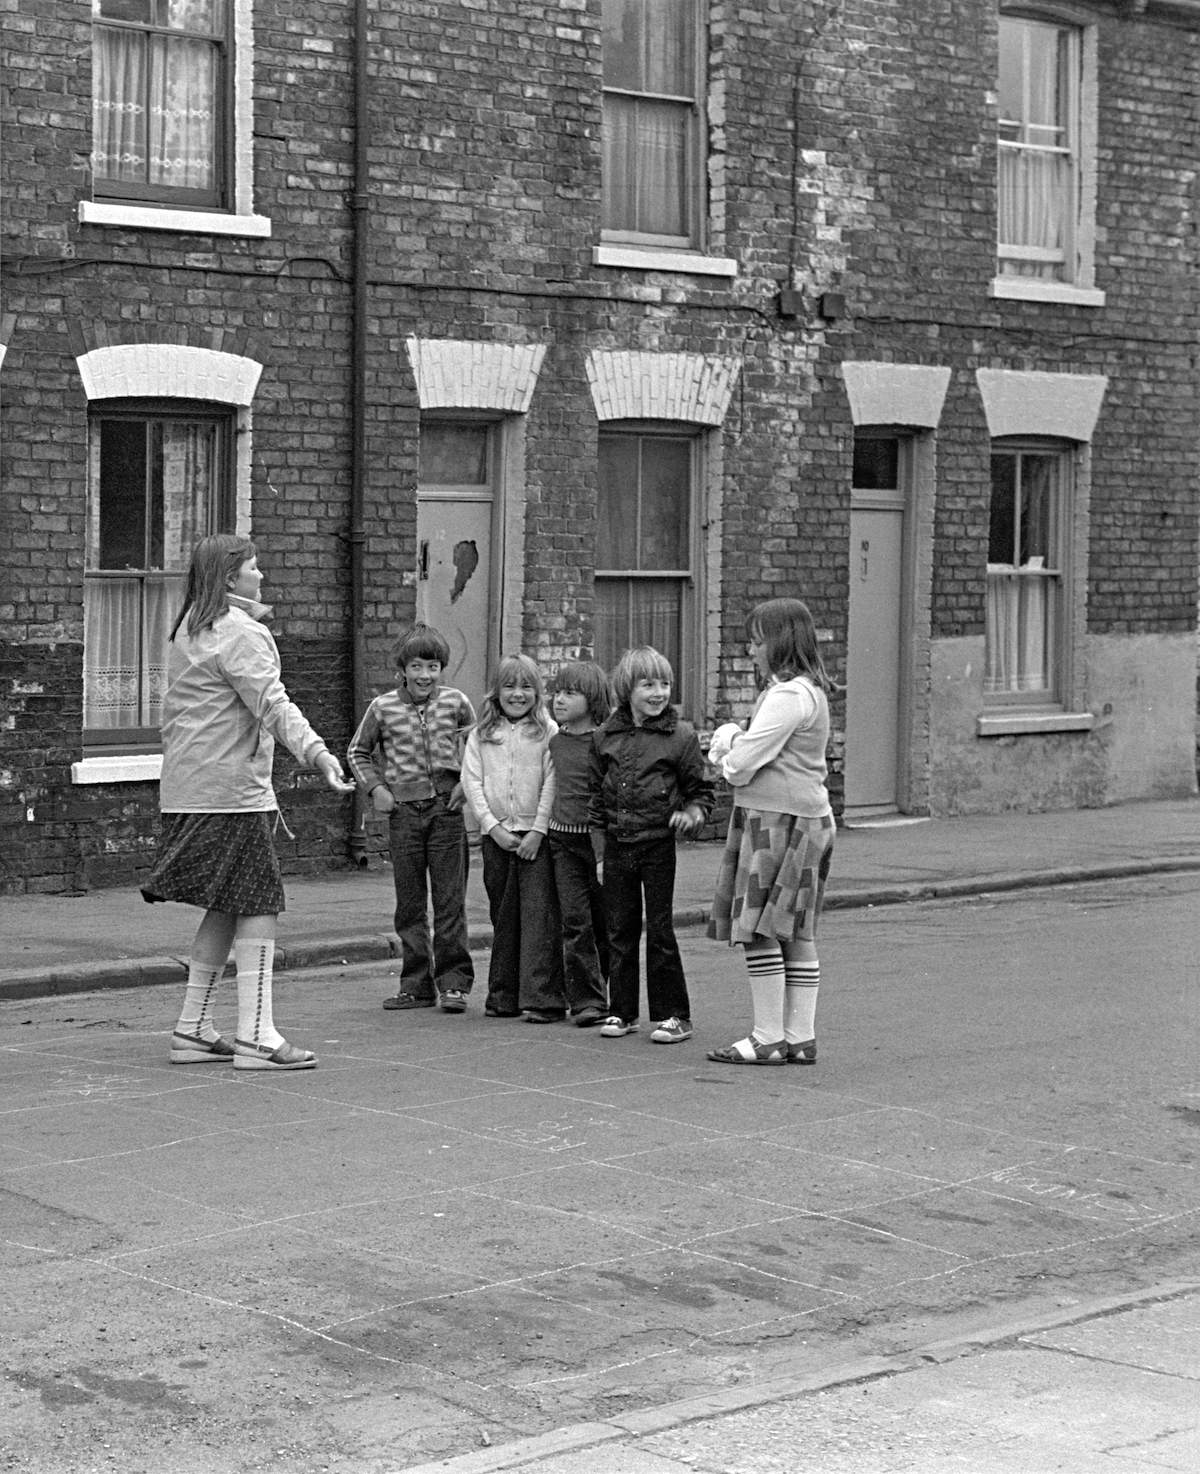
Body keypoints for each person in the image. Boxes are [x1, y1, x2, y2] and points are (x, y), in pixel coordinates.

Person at [142, 533, 354, 1072]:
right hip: (230, 793)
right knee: (259, 902)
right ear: (232, 579)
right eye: (255, 568)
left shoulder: (190, 628)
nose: (262, 576)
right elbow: (273, 704)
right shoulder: (240, 632)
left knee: (229, 901)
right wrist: (320, 754)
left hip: (190, 788)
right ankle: (257, 1036)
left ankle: (192, 1029)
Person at [705, 597, 835, 1065]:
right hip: (804, 818)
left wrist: (726, 742)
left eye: (758, 641)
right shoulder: (809, 691)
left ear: (780, 642)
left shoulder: (786, 696)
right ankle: (799, 1037)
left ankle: (767, 1038)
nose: (752, 651)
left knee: (758, 929)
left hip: (776, 823)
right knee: (794, 929)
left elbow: (739, 767)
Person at [347, 624, 476, 1013]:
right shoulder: (382, 707)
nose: (425, 675)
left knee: (450, 902)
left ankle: (454, 984)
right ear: (401, 669)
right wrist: (378, 791)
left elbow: (478, 749)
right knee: (410, 903)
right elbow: (358, 753)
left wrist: (466, 786)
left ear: (442, 669)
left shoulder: (457, 702)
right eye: (417, 666)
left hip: (447, 814)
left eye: (433, 666)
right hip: (404, 815)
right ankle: (417, 985)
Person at [588, 646, 713, 1044]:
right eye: (648, 684)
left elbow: (700, 793)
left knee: (660, 931)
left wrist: (692, 814)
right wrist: (600, 855)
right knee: (619, 931)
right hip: (617, 845)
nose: (658, 692)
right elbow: (596, 798)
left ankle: (675, 1015)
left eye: (665, 684)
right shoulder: (606, 735)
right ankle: (621, 1011)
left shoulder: (681, 736)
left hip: (658, 846)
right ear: (628, 690)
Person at [462, 653, 565, 1022]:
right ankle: (502, 996)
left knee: (539, 918)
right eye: (509, 686)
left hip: (536, 838)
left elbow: (553, 781)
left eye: (526, 687)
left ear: (537, 693)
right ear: (496, 691)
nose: (517, 694)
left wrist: (538, 829)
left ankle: (542, 998)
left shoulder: (548, 732)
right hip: (498, 838)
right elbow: (471, 782)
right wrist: (492, 827)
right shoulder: (481, 734)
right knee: (503, 917)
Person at [548, 661, 612, 1027]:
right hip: (563, 842)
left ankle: (604, 990)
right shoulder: (555, 741)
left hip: (599, 843)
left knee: (604, 922)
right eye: (557, 692)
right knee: (574, 921)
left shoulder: (604, 742)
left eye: (570, 693)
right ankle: (586, 1000)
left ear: (592, 699)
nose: (559, 700)